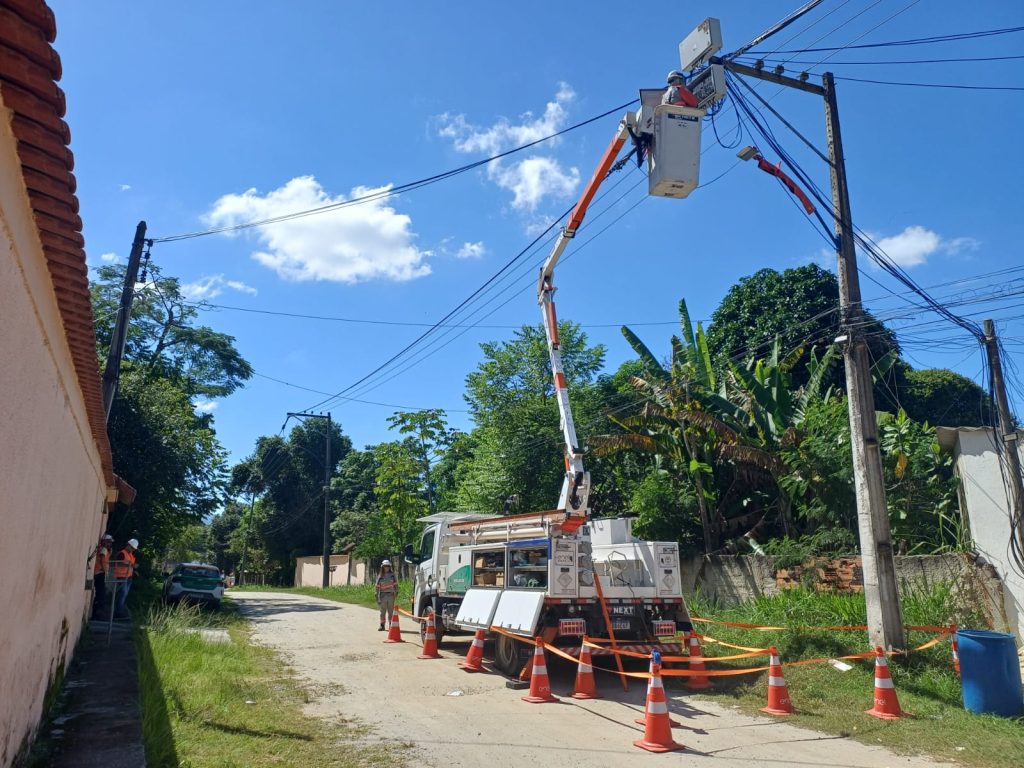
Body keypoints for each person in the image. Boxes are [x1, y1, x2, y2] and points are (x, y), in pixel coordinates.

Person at [112, 538, 139, 621]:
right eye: (132, 548)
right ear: (128, 545)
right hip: (121, 577)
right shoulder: (122, 553)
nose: (133, 550)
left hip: (128, 577)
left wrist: (133, 570)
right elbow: (118, 564)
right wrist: (131, 566)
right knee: (122, 594)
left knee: (124, 594)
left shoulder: (130, 554)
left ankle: (119, 611)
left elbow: (130, 565)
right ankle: (118, 613)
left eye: (134, 549)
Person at [91, 534, 113, 619]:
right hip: (99, 572)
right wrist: (105, 571)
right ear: (105, 542)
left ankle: (96, 613)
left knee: (100, 594)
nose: (110, 544)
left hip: (99, 572)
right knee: (101, 594)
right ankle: (97, 613)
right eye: (109, 542)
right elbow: (103, 561)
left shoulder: (105, 549)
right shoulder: (103, 549)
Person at [375, 560, 398, 631]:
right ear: (382, 567)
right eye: (385, 566)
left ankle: (391, 625)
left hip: (391, 595)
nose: (387, 567)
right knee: (382, 612)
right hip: (383, 595)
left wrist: (396, 592)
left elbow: (395, 585)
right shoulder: (380, 576)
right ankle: (382, 625)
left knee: (391, 611)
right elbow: (377, 586)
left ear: (390, 567)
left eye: (388, 566)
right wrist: (377, 595)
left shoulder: (392, 575)